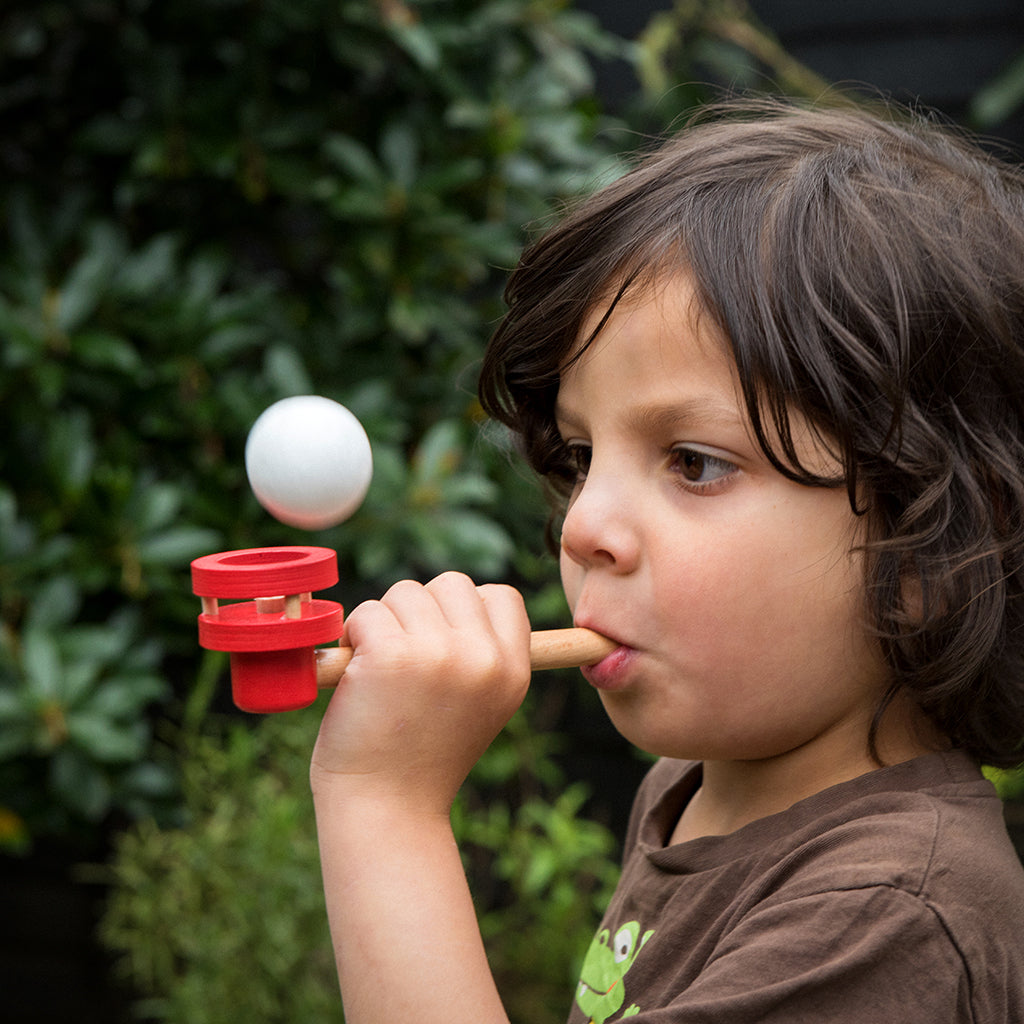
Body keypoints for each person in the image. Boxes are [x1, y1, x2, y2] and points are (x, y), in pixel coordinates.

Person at [310, 96, 1024, 1023]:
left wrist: (385, 809)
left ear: (935, 545)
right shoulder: (698, 787)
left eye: (693, 463)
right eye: (578, 456)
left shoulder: (885, 916)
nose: (581, 526)